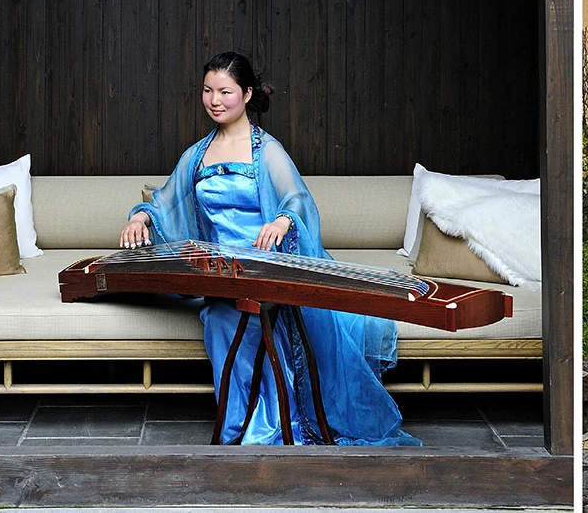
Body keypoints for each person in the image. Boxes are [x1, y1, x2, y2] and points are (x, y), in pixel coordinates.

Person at [119, 51, 419, 446]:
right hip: (225, 275)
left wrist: (282, 221)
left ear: (246, 94)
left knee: (255, 317)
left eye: (225, 91)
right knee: (221, 319)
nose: (214, 100)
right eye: (207, 91)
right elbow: (164, 202)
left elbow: (297, 199)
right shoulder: (196, 157)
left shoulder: (267, 151)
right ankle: (242, 427)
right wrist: (140, 218)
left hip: (268, 266)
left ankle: (275, 424)